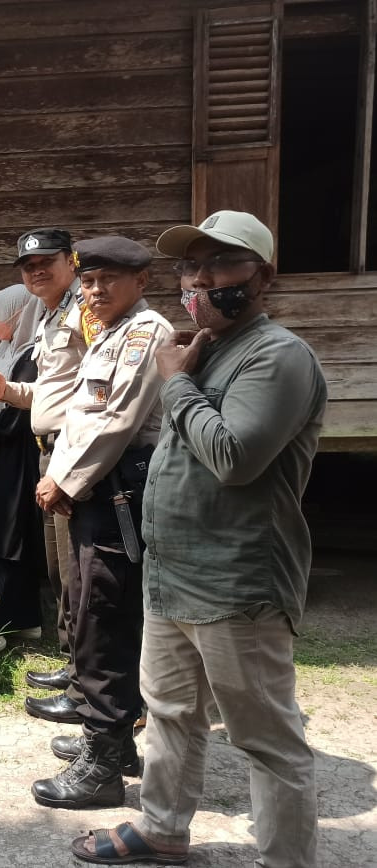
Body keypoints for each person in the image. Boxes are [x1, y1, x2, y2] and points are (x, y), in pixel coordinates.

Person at [71, 212, 325, 866]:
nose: (201, 279)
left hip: (238, 583)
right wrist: (185, 370)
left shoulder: (278, 356)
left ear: (261, 277)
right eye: (190, 266)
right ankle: (162, 828)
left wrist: (175, 381)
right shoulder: (202, 348)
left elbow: (234, 457)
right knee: (170, 713)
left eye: (220, 265)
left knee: (267, 738)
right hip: (172, 575)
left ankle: (287, 859)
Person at [30, 236, 173, 810]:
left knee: (105, 616)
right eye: (88, 281)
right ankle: (114, 742)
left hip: (122, 488)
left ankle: (104, 763)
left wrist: (65, 480)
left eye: (108, 280)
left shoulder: (145, 332)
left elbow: (115, 420)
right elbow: (79, 414)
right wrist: (67, 477)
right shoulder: (108, 332)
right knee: (93, 608)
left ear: (141, 282)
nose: (94, 291)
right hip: (99, 486)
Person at [0, 228, 96, 723]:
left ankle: (90, 687)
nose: (35, 272)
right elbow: (48, 392)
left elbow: (98, 396)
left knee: (81, 573)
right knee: (61, 571)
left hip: (74, 454)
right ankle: (75, 670)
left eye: (46, 262)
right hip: (47, 450)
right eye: (28, 267)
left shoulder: (85, 314)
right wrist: (11, 394)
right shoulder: (49, 318)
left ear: (70, 262)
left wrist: (71, 466)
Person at [0, 284, 46, 644]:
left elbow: (19, 411)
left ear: (21, 313)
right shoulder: (10, 347)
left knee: (10, 534)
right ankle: (25, 618)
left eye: (1, 314)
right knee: (5, 531)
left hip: (20, 451)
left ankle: (6, 622)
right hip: (5, 450)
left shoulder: (33, 354)